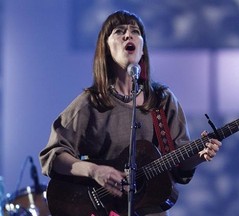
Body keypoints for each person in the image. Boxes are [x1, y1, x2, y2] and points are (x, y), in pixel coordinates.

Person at [39, 10, 222, 216]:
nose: (128, 35)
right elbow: (52, 156)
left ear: (142, 49)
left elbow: (178, 163)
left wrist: (197, 156)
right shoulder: (90, 103)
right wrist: (94, 171)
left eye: (135, 31)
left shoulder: (162, 100)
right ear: (106, 48)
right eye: (119, 31)